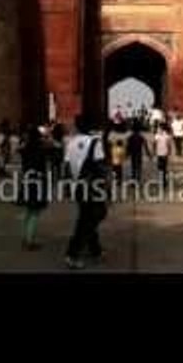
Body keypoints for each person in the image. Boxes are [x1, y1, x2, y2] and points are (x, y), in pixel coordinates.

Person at [64, 114, 110, 270]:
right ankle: (72, 253)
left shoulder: (70, 143)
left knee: (86, 216)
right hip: (93, 187)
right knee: (94, 216)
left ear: (76, 126)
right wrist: (106, 188)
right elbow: (100, 167)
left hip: (77, 186)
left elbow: (67, 168)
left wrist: (67, 188)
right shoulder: (95, 142)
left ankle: (95, 249)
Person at [17, 125, 50, 250]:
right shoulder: (41, 149)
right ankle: (29, 241)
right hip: (37, 182)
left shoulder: (24, 149)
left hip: (27, 180)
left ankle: (25, 238)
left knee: (28, 211)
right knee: (35, 212)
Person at [154, 123, 174, 188]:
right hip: (164, 154)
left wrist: (154, 151)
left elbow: (155, 144)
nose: (158, 129)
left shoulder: (158, 136)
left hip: (161, 154)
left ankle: (162, 181)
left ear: (162, 129)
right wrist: (169, 152)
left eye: (159, 128)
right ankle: (163, 181)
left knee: (161, 168)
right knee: (163, 168)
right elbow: (169, 145)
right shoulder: (166, 136)